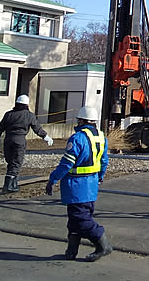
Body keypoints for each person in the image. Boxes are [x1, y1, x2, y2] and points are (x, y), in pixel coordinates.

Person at [45, 106, 112, 262]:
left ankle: (103, 245)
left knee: (81, 219)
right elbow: (104, 161)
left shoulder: (78, 138)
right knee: (75, 219)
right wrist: (100, 177)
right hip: (91, 185)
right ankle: (71, 252)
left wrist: (52, 179)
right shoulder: (101, 138)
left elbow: (66, 164)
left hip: (76, 186)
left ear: (81, 121)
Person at [0, 94, 53, 193]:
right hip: (20, 140)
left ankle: (13, 184)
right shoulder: (29, 115)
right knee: (16, 162)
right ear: (26, 104)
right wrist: (45, 136)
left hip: (8, 140)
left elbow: (0, 126)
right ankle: (8, 186)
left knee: (10, 161)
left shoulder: (8, 114)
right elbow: (36, 128)